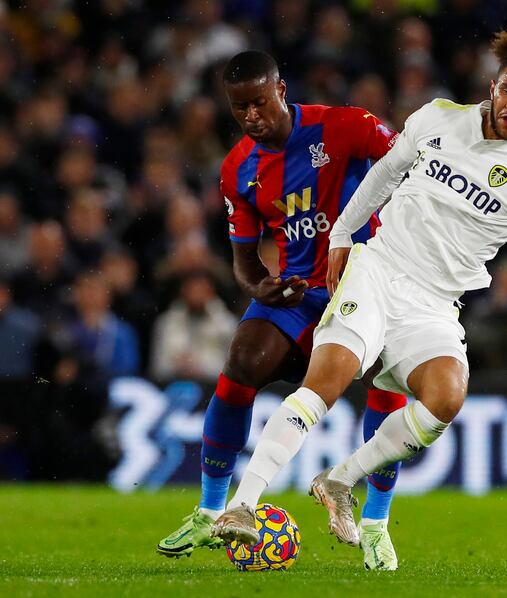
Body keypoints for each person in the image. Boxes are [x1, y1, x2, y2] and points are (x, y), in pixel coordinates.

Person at [209, 24, 507, 554]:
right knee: (326, 382)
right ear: (492, 87)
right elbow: (383, 176)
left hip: (436, 303)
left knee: (446, 398)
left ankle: (340, 480)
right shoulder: (437, 118)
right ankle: (243, 504)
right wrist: (346, 235)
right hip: (378, 271)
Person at [156, 50, 408, 570]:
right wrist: (262, 288)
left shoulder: (347, 127)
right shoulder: (237, 170)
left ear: (281, 90)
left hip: (373, 286)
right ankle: (210, 511)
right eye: (240, 107)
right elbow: (244, 263)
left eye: (259, 102)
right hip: (302, 295)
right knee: (242, 361)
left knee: (387, 388)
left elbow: (413, 164)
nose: (251, 116)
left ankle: (377, 523)